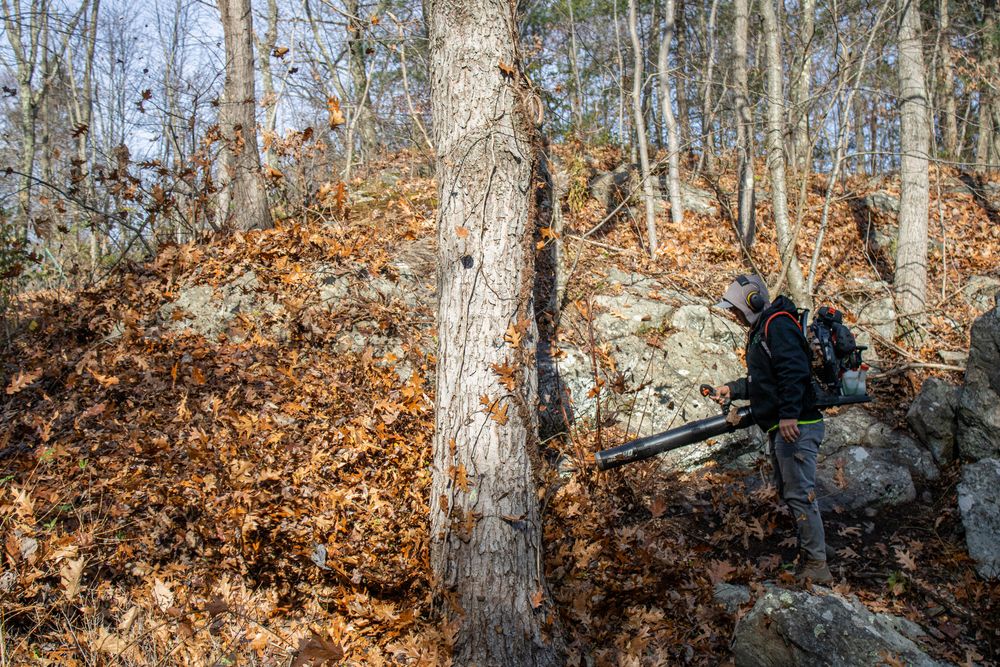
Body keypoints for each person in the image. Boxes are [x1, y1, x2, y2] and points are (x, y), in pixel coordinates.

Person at [712, 274, 833, 584]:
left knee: (799, 494)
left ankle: (817, 565)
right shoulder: (763, 329)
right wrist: (733, 389)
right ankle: (810, 558)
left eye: (734, 308)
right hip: (787, 426)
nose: (733, 314)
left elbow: (795, 370)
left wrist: (790, 414)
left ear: (751, 303)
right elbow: (765, 382)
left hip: (798, 426)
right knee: (791, 492)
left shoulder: (777, 324)